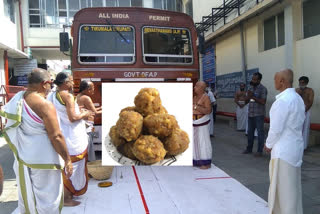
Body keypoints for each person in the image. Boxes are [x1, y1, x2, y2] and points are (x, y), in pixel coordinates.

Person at [0, 68, 72, 213]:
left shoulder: (19, 98)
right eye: (50, 84)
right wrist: (67, 159)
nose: (51, 88)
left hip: (23, 157)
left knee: (30, 197)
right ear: (44, 84)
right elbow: (56, 136)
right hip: (44, 161)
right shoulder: (44, 105)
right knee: (48, 200)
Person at [48, 72, 92, 206]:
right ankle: (66, 198)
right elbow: (72, 118)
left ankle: (68, 194)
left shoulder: (53, 94)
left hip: (63, 133)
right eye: (71, 81)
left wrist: (79, 111)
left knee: (67, 165)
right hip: (72, 137)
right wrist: (84, 114)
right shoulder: (67, 95)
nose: (73, 83)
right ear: (65, 83)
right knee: (73, 165)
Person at [264, 69, 305, 214]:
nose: (274, 82)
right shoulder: (298, 98)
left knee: (283, 191)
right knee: (292, 189)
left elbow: (275, 129)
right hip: (294, 149)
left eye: (275, 79)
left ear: (282, 81)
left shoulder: (282, 101)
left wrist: (268, 144)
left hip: (283, 152)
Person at [243, 72, 267, 157]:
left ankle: (259, 151)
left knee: (260, 133)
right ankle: (249, 149)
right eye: (252, 79)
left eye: (254, 79)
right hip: (251, 114)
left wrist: (253, 96)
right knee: (250, 133)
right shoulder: (250, 88)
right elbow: (246, 101)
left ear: (259, 80)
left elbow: (263, 102)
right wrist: (247, 97)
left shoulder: (263, 89)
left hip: (259, 115)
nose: (252, 81)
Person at [76, 80, 102, 161]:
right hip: (87, 125)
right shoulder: (86, 98)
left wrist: (101, 108)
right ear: (87, 89)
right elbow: (95, 113)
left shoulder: (79, 96)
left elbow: (90, 109)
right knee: (88, 147)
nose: (94, 90)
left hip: (84, 124)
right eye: (92, 88)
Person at [193, 81, 212, 169]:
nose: (194, 87)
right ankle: (196, 160)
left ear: (201, 88)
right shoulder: (194, 97)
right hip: (193, 122)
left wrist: (196, 107)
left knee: (203, 142)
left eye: (197, 86)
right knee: (195, 143)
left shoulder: (206, 98)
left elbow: (208, 111)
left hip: (202, 122)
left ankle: (206, 163)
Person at [296, 76, 314, 150]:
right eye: (300, 82)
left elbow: (310, 102)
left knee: (305, 129)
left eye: (302, 83)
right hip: (297, 111)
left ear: (306, 83)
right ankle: (297, 145)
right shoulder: (296, 90)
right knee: (297, 129)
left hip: (306, 111)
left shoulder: (310, 91)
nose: (301, 84)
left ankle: (303, 147)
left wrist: (304, 111)